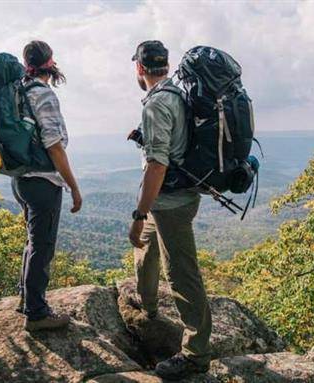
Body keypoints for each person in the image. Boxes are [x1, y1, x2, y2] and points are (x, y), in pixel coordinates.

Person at [128, 40, 212, 380]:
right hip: (180, 194)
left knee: (181, 274)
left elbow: (157, 165)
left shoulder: (156, 104)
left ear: (139, 69)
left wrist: (138, 213)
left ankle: (196, 353)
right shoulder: (178, 95)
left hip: (170, 201)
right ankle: (147, 305)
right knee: (146, 245)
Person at [13, 40, 82, 332]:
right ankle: (37, 314)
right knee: (42, 246)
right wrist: (73, 187)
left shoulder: (18, 92)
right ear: (50, 62)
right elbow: (54, 145)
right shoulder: (43, 95)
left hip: (21, 179)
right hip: (43, 180)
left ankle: (26, 300)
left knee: (33, 241)